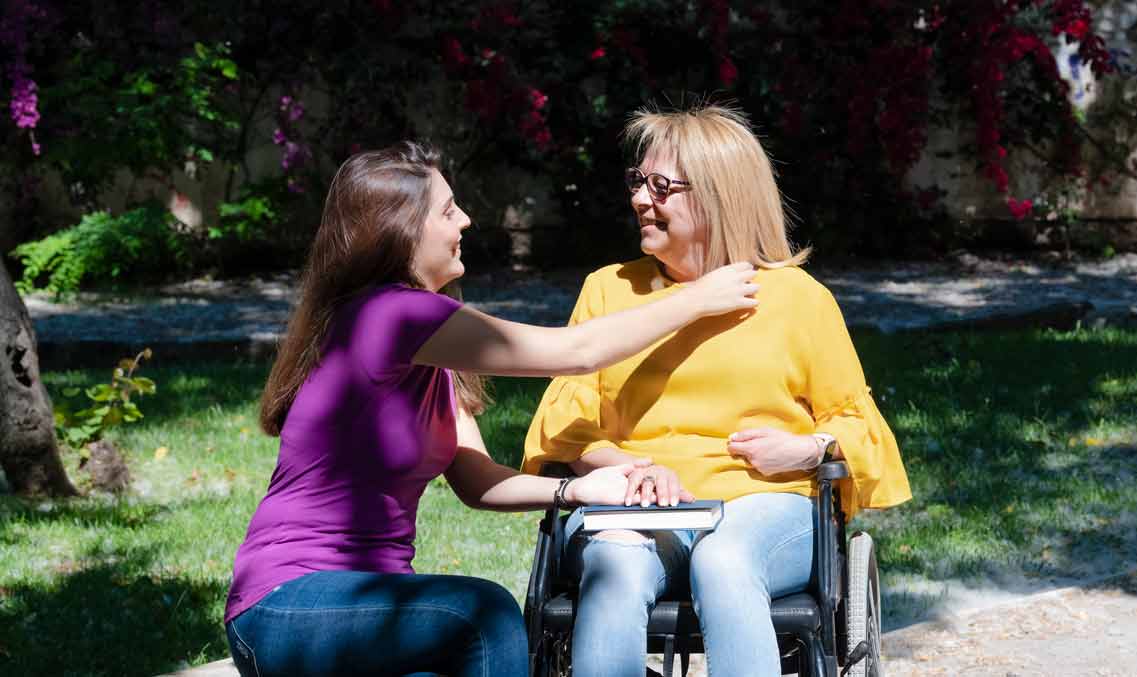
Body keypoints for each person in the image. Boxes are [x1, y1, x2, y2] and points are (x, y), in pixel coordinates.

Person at [223, 142, 761, 677]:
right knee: (485, 616)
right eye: (447, 210)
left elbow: (476, 481)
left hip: (366, 610)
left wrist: (576, 490)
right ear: (402, 229)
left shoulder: (428, 353)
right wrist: (696, 300)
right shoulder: (392, 316)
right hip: (287, 603)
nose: (467, 219)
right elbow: (575, 352)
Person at [521, 104, 912, 677]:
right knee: (614, 565)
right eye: (637, 182)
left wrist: (808, 448)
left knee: (725, 559)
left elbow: (856, 424)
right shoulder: (607, 290)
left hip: (764, 504)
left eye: (661, 187)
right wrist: (629, 469)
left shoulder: (797, 299)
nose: (638, 199)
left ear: (719, 196)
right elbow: (568, 429)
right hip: (635, 507)